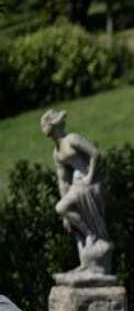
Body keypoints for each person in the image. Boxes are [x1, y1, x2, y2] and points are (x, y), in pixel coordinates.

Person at [40, 108, 113, 277]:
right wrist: (66, 217)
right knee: (64, 212)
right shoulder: (57, 153)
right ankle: (85, 258)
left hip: (89, 183)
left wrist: (89, 177)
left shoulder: (72, 139)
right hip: (77, 185)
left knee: (63, 208)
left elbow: (95, 154)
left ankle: (91, 239)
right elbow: (62, 181)